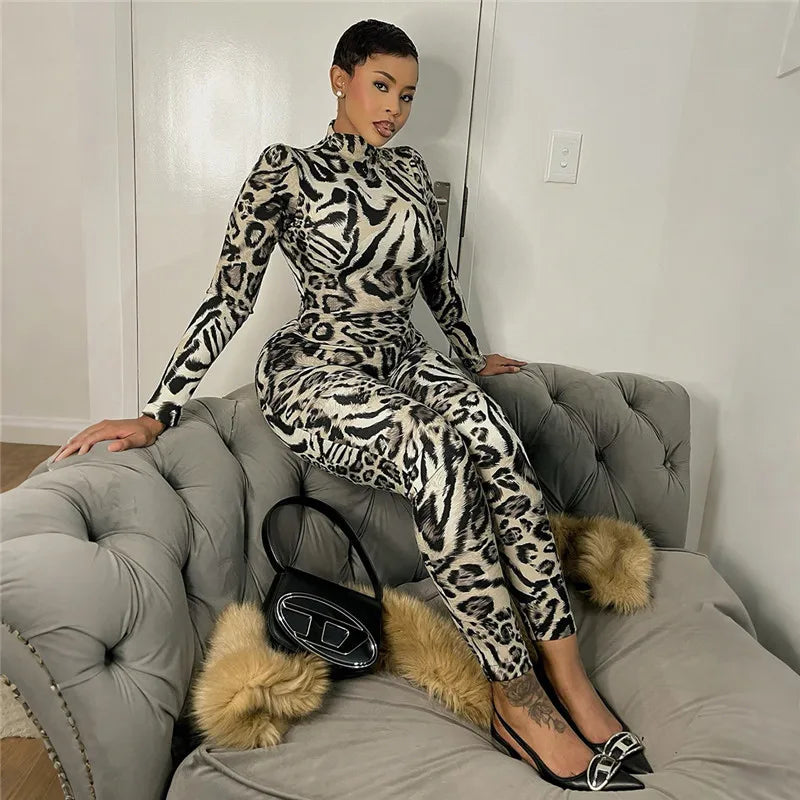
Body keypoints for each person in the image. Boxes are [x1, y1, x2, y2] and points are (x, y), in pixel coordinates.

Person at [52, 18, 649, 792]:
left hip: (401, 354)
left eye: (408, 94)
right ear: (340, 79)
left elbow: (435, 283)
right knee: (436, 456)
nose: (395, 107)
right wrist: (157, 409)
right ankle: (516, 696)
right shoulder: (286, 170)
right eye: (381, 86)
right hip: (316, 364)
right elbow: (230, 296)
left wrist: (467, 355)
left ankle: (568, 676)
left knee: (498, 441)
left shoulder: (412, 172)